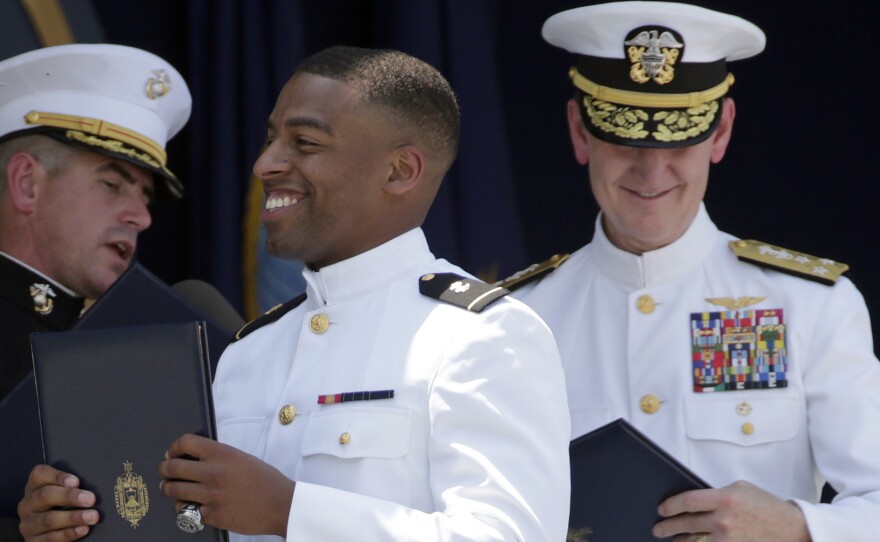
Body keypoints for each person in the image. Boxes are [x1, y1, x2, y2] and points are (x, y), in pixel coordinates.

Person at [19, 46, 571, 541]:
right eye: (270, 138)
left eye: (303, 143)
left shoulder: (482, 335)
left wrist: (290, 512)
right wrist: (80, 523)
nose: (265, 165)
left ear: (401, 170)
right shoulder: (247, 353)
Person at [504, 2, 880, 541]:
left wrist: (798, 528)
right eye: (626, 136)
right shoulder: (516, 318)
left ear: (721, 130)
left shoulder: (812, 304)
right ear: (580, 132)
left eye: (680, 138)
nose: (652, 169)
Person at [0, 43, 191, 539]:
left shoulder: (126, 343)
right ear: (26, 184)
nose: (141, 216)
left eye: (145, 196)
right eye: (113, 184)